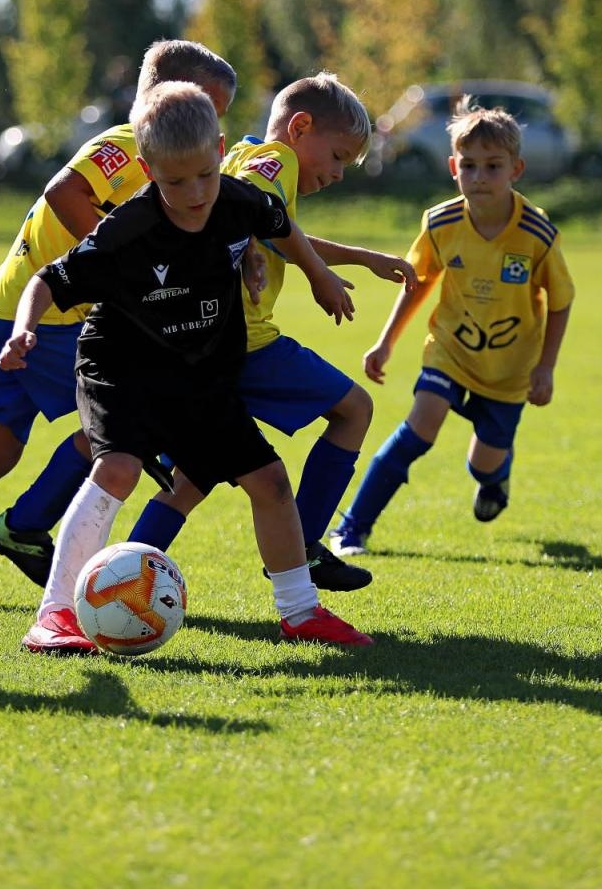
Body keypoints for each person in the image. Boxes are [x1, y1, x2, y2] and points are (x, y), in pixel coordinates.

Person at [0, 82, 372, 651]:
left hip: (200, 371)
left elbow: (278, 224)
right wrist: (25, 328)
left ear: (220, 151)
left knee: (269, 482)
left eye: (204, 174)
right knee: (118, 470)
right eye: (174, 181)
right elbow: (48, 280)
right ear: (148, 170)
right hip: (121, 366)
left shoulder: (237, 199)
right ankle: (55, 615)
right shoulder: (129, 230)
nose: (195, 192)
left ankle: (301, 612)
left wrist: (318, 274)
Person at [0, 40, 239, 604]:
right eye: (207, 108)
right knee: (122, 422)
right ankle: (25, 527)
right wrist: (124, 262)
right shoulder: (125, 144)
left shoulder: (169, 166)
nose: (213, 128)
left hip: (4, 308)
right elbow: (63, 191)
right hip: (48, 316)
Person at [124, 73, 415, 587]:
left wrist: (359, 257)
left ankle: (120, 578)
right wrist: (318, 273)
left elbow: (273, 224)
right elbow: (260, 215)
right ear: (300, 127)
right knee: (354, 409)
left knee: (192, 476)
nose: (341, 173)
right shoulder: (274, 161)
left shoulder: (244, 154)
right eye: (340, 156)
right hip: (247, 344)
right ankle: (301, 545)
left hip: (201, 346)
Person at [328, 100, 574, 555]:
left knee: (483, 464)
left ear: (516, 169)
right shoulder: (441, 222)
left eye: (493, 166)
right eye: (470, 165)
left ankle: (494, 478)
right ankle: (352, 529)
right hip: (450, 351)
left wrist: (546, 368)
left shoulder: (537, 234)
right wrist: (385, 343)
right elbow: (416, 284)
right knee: (419, 428)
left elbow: (561, 301)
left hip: (509, 369)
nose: (479, 176)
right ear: (452, 166)